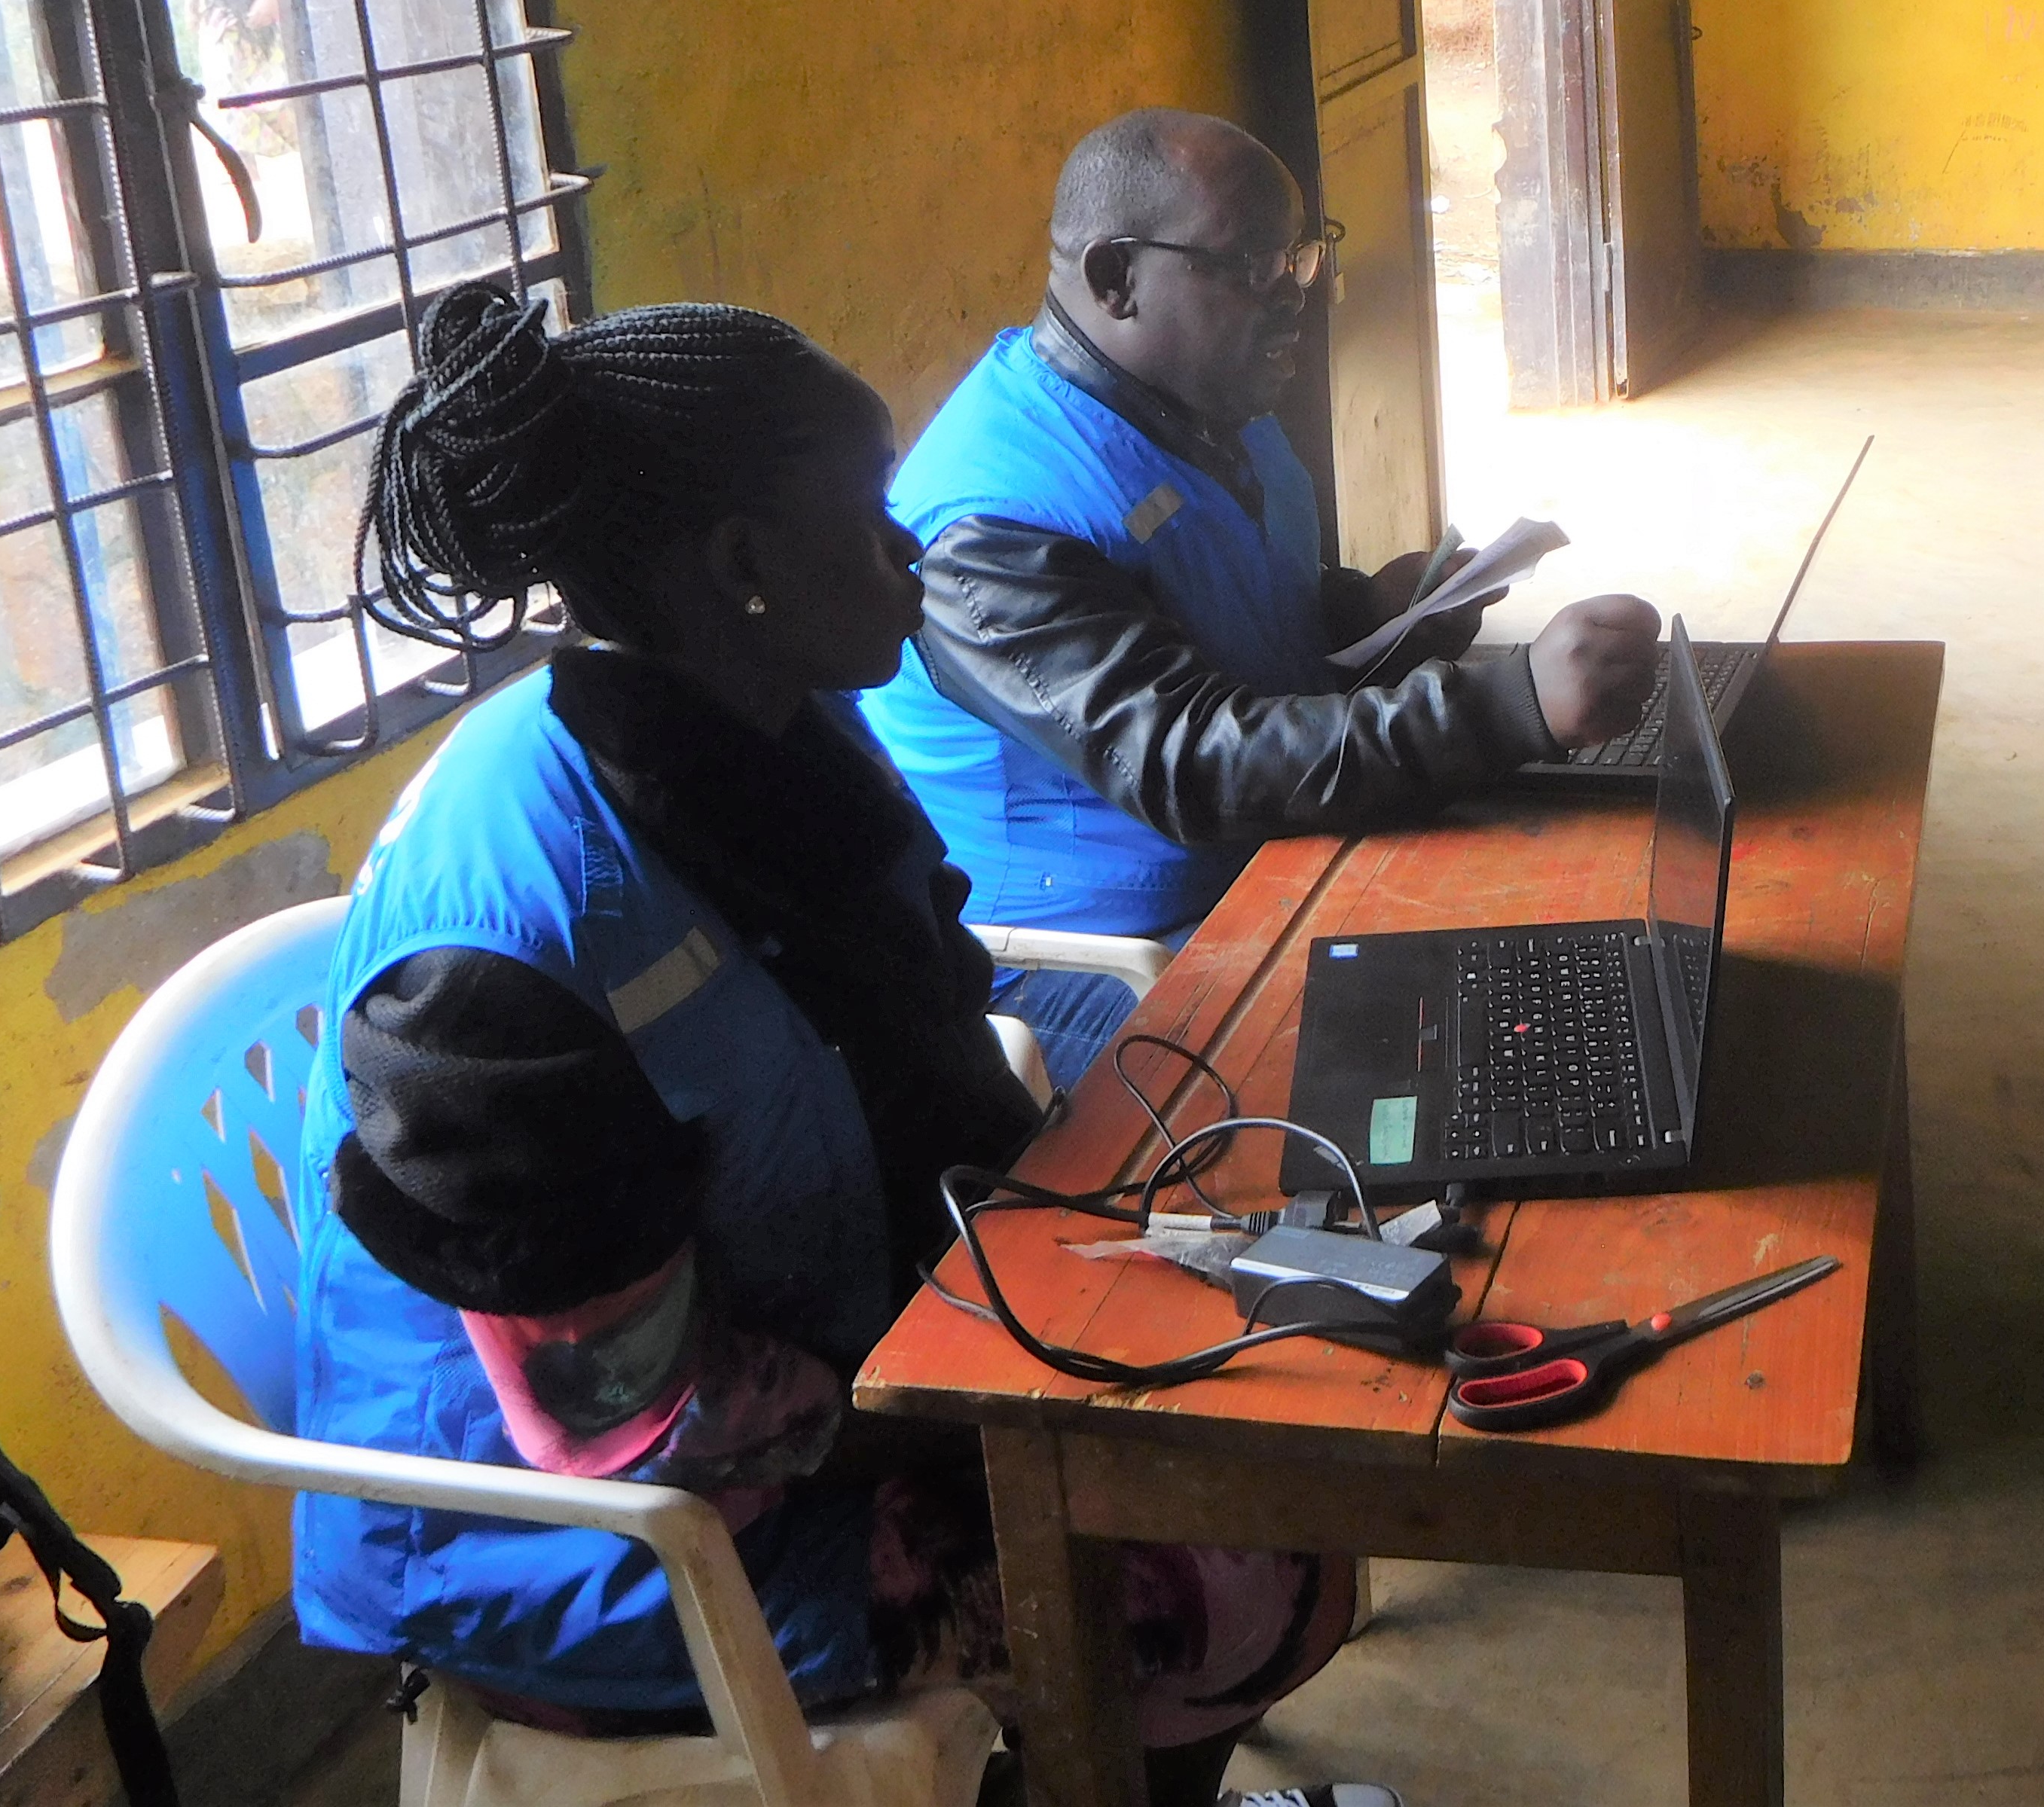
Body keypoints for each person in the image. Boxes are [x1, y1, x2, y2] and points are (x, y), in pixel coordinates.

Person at [293, 279, 1390, 1807]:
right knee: (1204, 1567)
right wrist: (1021, 1408)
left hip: (818, 1364)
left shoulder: (767, 715)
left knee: (1258, 1437)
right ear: (742, 563)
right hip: (567, 1531)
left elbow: (922, 1027)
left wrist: (1136, 1285)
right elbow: (632, 1414)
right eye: (872, 511)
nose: (911, 547)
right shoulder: (495, 954)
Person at [860, 107, 1660, 1067]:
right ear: (1116, 277)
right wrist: (1508, 706)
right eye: (1251, 268)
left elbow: (1216, 605)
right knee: (1462, 1058)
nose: (1295, 298)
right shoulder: (991, 525)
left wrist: (1374, 612)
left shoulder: (1208, 396)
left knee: (1598, 930)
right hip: (1103, 959)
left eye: (1301, 258)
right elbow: (1187, 758)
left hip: (1263, 861)